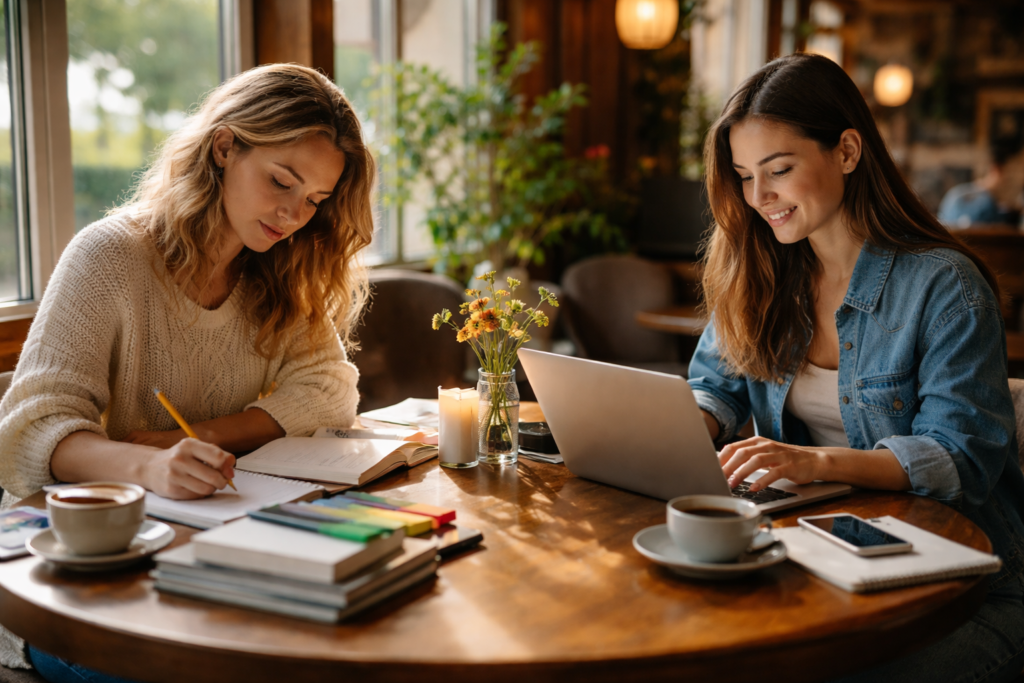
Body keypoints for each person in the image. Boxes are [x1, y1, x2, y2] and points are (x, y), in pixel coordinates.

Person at [0, 64, 375, 680]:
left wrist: (196, 438)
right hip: (72, 576)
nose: (293, 215)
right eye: (281, 181)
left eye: (314, 200)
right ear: (224, 147)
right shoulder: (110, 257)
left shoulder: (276, 271)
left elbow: (330, 390)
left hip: (197, 556)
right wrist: (148, 466)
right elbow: (32, 430)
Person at [689, 53, 1024, 682]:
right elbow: (714, 386)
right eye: (743, 176)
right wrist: (677, 426)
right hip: (822, 559)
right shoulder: (762, 272)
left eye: (779, 170)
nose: (759, 197)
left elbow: (959, 456)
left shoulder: (944, 286)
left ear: (847, 151)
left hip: (966, 586)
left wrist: (812, 463)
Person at [938, 142, 1021, 228]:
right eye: (1010, 174)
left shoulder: (956, 192)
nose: (1011, 181)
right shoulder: (985, 201)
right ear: (996, 170)